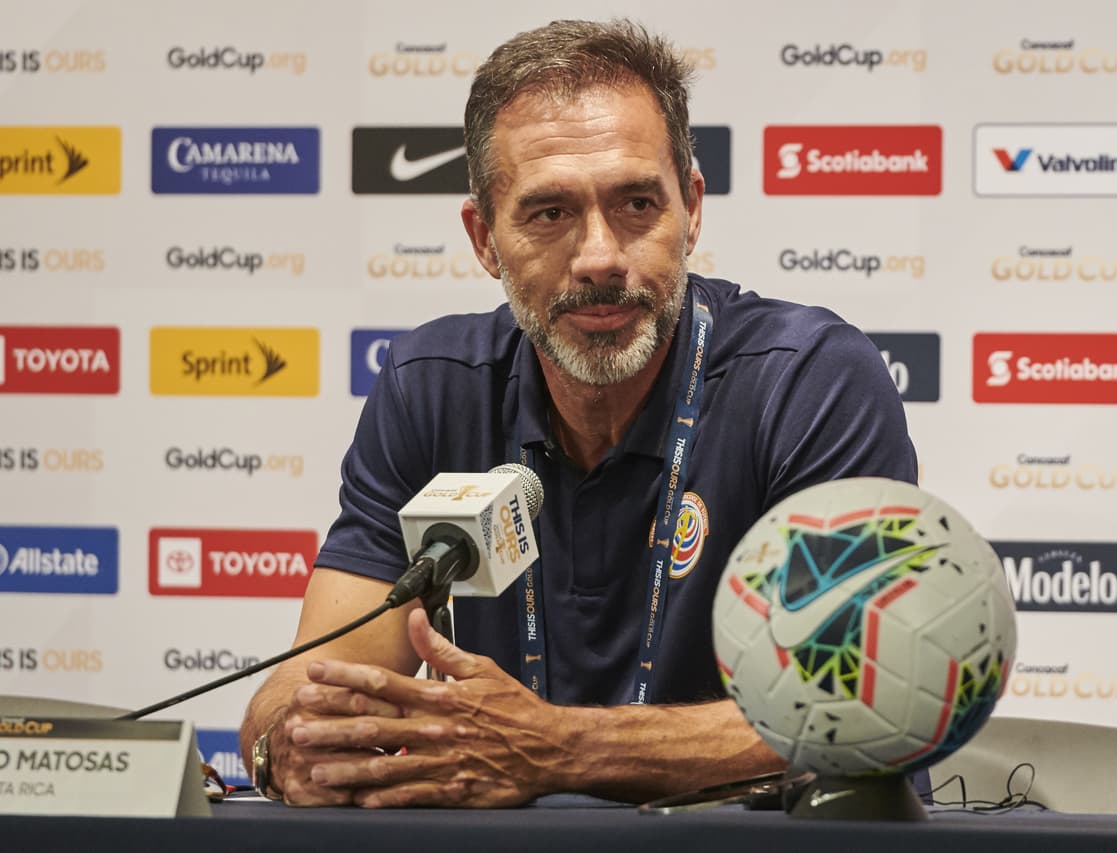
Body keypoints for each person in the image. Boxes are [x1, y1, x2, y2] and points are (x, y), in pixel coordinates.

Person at [239, 18, 917, 808]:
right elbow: (306, 689)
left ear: (691, 210)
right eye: (549, 213)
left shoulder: (808, 380)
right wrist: (288, 740)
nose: (599, 255)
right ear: (484, 237)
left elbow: (862, 711)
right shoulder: (433, 388)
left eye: (636, 203)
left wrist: (552, 747)